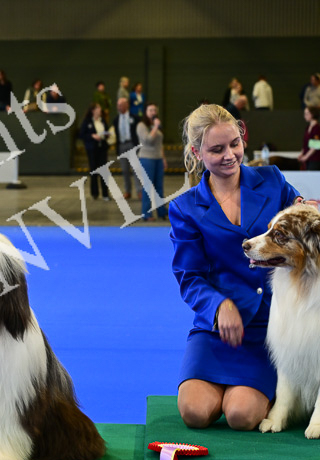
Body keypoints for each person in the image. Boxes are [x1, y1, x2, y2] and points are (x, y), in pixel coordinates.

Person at [170, 103, 305, 431]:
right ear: (197, 153)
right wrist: (219, 306)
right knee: (194, 412)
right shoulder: (185, 208)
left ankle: (272, 390)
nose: (229, 155)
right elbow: (189, 277)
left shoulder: (273, 181)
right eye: (216, 150)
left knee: (240, 416)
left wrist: (308, 207)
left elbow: (301, 221)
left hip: (269, 326)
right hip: (216, 328)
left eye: (235, 144)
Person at [137, 102, 167, 221]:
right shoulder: (141, 125)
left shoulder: (156, 125)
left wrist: (163, 158)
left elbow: (160, 144)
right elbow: (147, 140)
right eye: (150, 110)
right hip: (147, 158)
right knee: (148, 186)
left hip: (158, 158)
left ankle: (161, 211)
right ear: (146, 112)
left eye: (154, 110)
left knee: (159, 186)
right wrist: (155, 127)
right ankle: (146, 213)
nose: (153, 112)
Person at [79, 102, 111, 201]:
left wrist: (106, 135)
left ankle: (105, 194)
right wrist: (92, 136)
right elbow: (82, 134)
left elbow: (106, 130)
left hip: (102, 148)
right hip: (92, 149)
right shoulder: (87, 121)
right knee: (94, 170)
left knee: (104, 171)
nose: (100, 110)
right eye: (98, 108)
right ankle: (94, 193)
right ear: (93, 110)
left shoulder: (102, 120)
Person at [112, 97, 140, 199]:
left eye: (121, 105)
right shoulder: (116, 120)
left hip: (132, 144)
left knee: (136, 169)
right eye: (118, 105)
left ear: (126, 105)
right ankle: (128, 191)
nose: (119, 107)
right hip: (121, 145)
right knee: (125, 170)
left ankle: (139, 191)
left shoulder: (135, 118)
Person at [298, 106, 320, 171]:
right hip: (308, 159)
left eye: (307, 114)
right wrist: (302, 154)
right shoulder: (308, 127)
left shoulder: (317, 128)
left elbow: (316, 145)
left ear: (312, 114)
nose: (305, 116)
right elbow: (305, 144)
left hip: (315, 159)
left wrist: (306, 157)